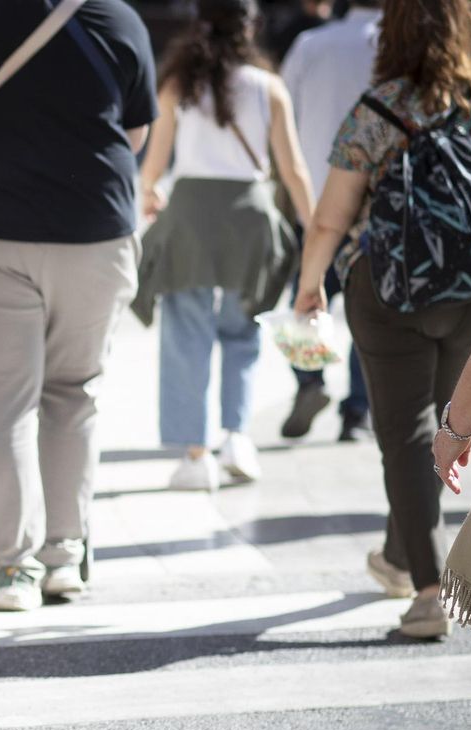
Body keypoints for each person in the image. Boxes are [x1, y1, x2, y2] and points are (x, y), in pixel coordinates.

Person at [0, 0, 157, 610]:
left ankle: (15, 569)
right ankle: (64, 557)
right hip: (95, 229)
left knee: (3, 404)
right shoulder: (118, 17)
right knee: (74, 392)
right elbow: (135, 132)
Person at [296, 0, 471, 641]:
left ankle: (428, 593)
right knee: (446, 426)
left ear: (392, 35)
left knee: (405, 437)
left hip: (386, 293)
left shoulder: (376, 109)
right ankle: (399, 551)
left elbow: (331, 216)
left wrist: (310, 284)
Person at [135, 0, 313, 491]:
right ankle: (237, 438)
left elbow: (155, 162)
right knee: (243, 330)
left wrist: (149, 192)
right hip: (248, 218)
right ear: (251, 27)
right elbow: (293, 169)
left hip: (190, 215)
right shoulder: (268, 87)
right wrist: (317, 229)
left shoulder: (179, 83)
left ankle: (197, 455)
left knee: (185, 333)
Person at [280, 0, 381, 442]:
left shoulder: (309, 45)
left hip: (316, 200)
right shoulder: (395, 46)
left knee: (303, 299)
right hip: (378, 210)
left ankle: (309, 380)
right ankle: (357, 412)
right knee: (368, 315)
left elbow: (282, 112)